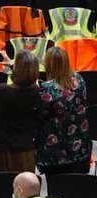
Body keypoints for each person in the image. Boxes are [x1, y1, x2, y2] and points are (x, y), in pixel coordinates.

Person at [0, 49, 42, 173]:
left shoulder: (2, 91)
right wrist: (11, 64)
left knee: (0, 185)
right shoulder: (37, 93)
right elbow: (28, 80)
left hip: (0, 148)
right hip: (25, 150)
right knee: (25, 186)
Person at [36, 46, 90, 175]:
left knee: (57, 189)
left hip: (54, 156)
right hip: (80, 150)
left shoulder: (46, 90)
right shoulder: (79, 80)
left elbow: (37, 115)